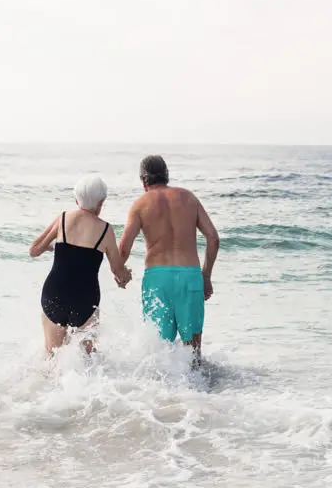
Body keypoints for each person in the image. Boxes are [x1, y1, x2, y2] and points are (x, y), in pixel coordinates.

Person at [118, 155, 220, 365]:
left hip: (157, 280)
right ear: (166, 176)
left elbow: (123, 249)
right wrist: (206, 276)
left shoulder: (139, 205)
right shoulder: (189, 198)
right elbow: (213, 238)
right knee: (193, 352)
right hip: (190, 277)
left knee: (158, 350)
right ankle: (199, 395)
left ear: (143, 181)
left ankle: (161, 396)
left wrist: (121, 274)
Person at [29, 174, 133, 355]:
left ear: (77, 200)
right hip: (85, 300)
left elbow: (34, 250)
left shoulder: (63, 218)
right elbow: (117, 271)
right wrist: (125, 277)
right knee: (87, 362)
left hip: (55, 295)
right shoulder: (106, 230)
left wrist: (50, 248)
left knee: (52, 359)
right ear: (101, 203)